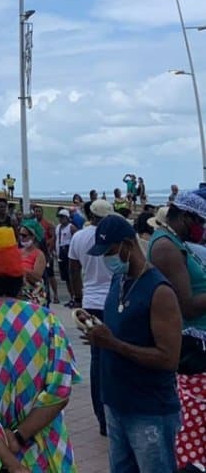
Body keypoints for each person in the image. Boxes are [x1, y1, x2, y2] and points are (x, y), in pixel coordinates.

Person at [0, 227, 79, 473]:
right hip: (47, 454)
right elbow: (60, 391)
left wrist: (10, 462)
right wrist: (19, 437)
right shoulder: (47, 321)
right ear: (19, 280)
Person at [84, 213, 180, 472]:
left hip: (148, 410)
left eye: (111, 252)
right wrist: (95, 332)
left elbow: (169, 358)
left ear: (128, 245)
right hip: (116, 403)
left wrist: (113, 344)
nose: (107, 259)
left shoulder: (159, 291)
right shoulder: (119, 281)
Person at [145, 190, 206, 469]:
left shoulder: (174, 242)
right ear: (183, 216)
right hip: (191, 347)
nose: (202, 228)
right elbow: (187, 306)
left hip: (196, 344)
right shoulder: (167, 248)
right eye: (199, 222)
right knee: (193, 420)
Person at [68, 197, 114, 436]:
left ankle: (101, 418)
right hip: (114, 301)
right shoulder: (113, 235)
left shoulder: (79, 237)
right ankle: (114, 414)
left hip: (91, 301)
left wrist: (77, 297)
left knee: (97, 360)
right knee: (116, 355)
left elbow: (73, 269)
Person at [17, 219, 48, 306]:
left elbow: (37, 277)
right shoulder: (17, 252)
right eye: (20, 235)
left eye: (24, 235)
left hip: (31, 293)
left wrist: (20, 269)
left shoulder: (39, 254)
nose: (21, 238)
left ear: (33, 236)